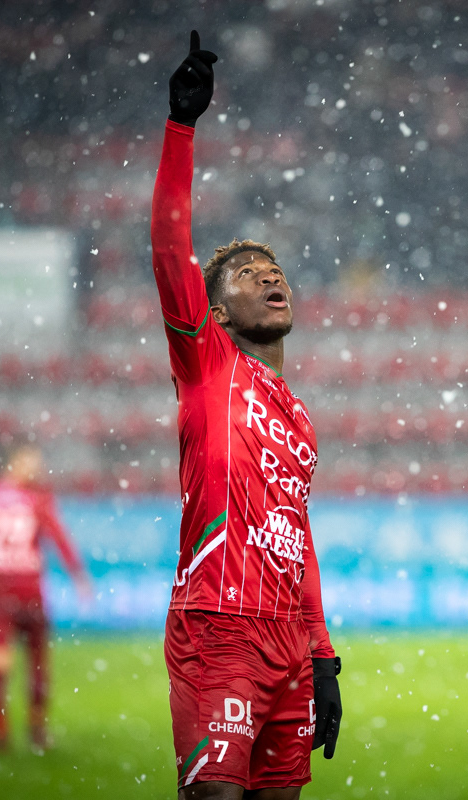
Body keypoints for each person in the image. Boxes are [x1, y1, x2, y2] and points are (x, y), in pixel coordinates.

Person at [151, 30, 342, 799]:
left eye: (277, 273)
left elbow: (295, 534)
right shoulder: (208, 365)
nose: (271, 280)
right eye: (249, 276)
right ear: (216, 311)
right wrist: (181, 128)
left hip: (289, 643)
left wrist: (323, 654)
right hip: (219, 626)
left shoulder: (297, 416)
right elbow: (170, 247)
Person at [0, 443, 91, 752]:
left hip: (0, 592)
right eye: (31, 463)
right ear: (15, 463)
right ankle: (35, 730)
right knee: (36, 664)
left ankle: (0, 729)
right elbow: (59, 538)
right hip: (29, 591)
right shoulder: (37, 500)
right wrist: (79, 576)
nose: (36, 469)